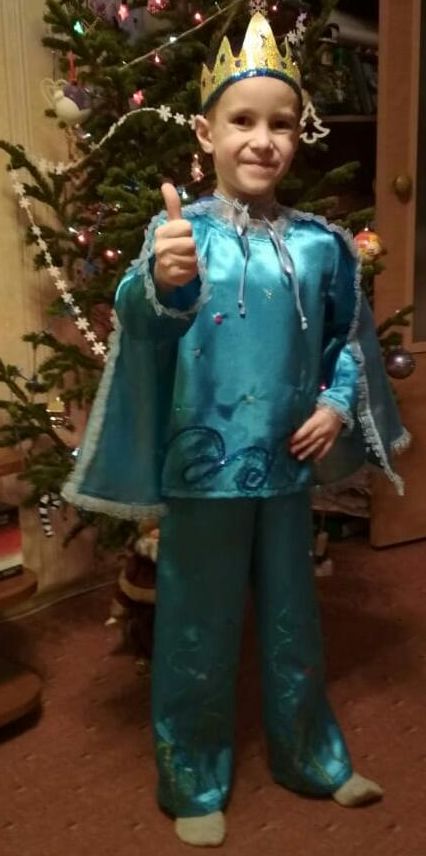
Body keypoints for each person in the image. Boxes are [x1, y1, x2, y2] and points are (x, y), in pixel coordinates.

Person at [63, 13, 408, 848]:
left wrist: (335, 403)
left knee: (294, 622)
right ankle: (192, 775)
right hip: (202, 472)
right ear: (205, 132)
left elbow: (347, 342)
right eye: (242, 121)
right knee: (196, 626)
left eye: (280, 123)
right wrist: (162, 279)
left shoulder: (322, 246)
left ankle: (311, 756)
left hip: (286, 468)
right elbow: (146, 318)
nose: (262, 140)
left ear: (299, 133)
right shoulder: (179, 236)